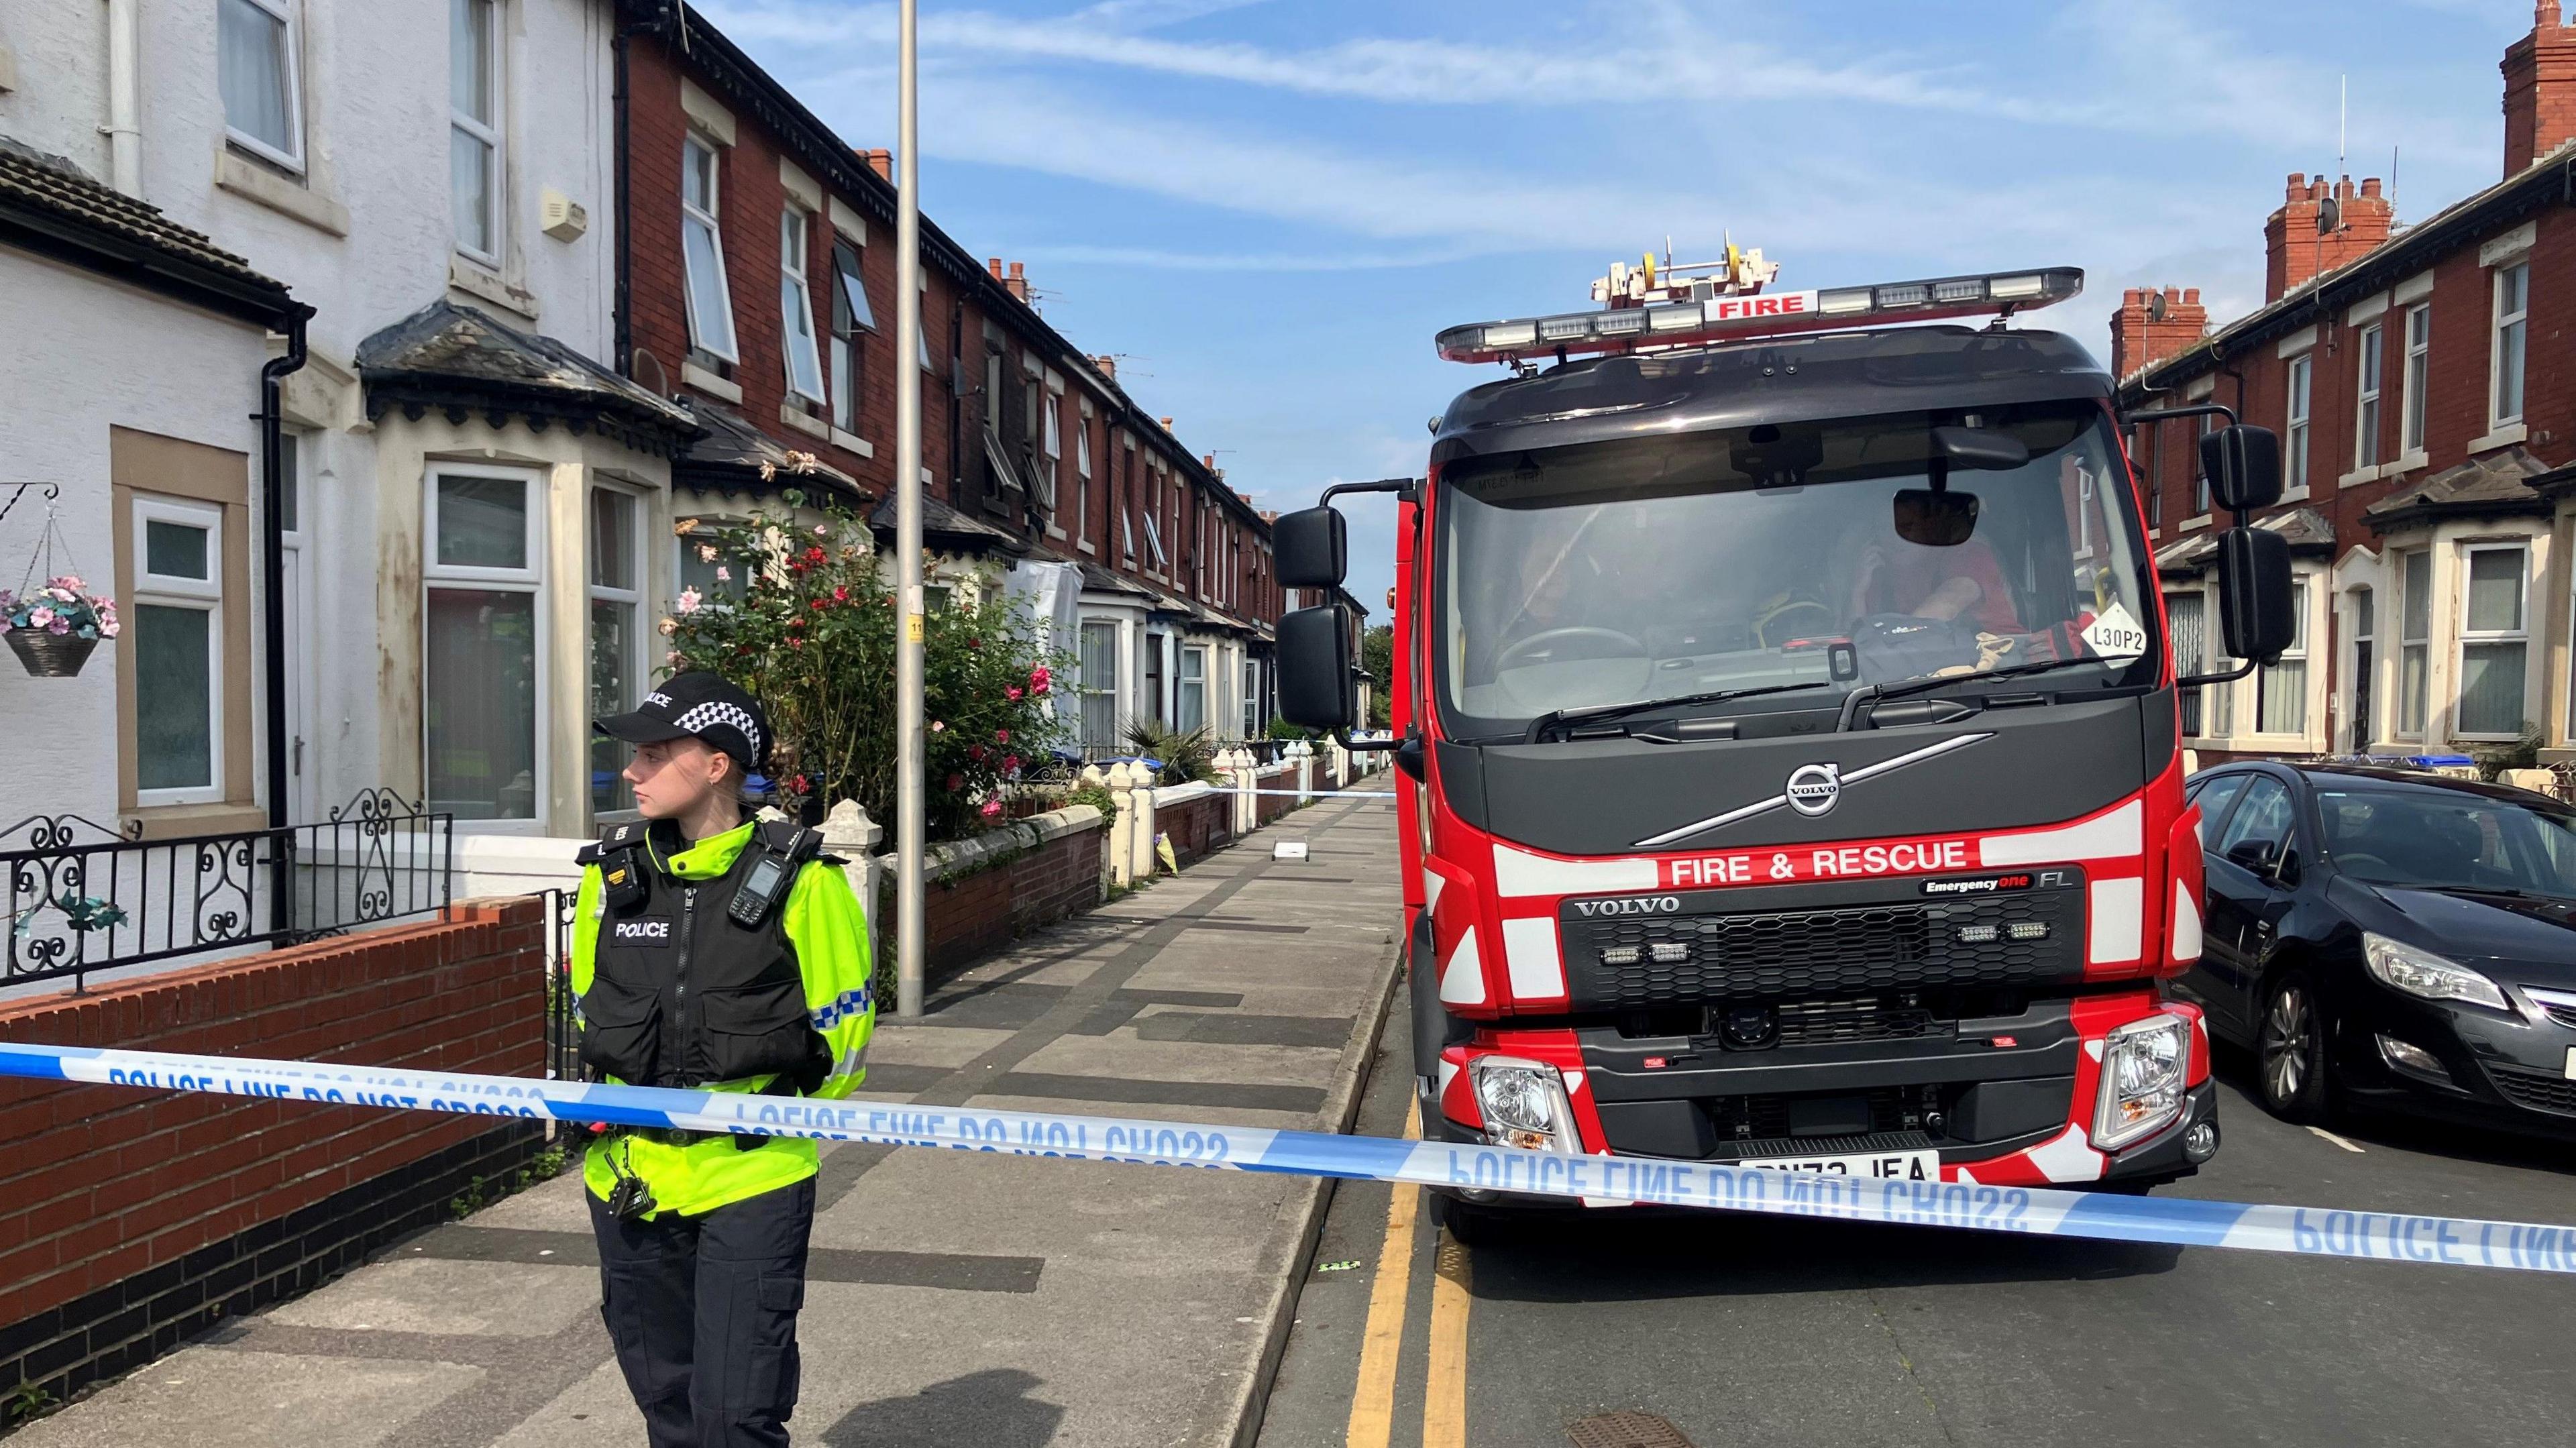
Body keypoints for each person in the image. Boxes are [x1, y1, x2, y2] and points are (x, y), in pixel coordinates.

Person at [573, 671, 875, 1448]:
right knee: (667, 1407)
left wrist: (754, 1110)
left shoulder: (805, 882)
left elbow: (843, 1046)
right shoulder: (608, 880)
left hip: (752, 1178)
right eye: (633, 755)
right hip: (630, 1181)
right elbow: (589, 1011)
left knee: (735, 1414)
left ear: (717, 763)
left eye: (654, 752)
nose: (631, 771)